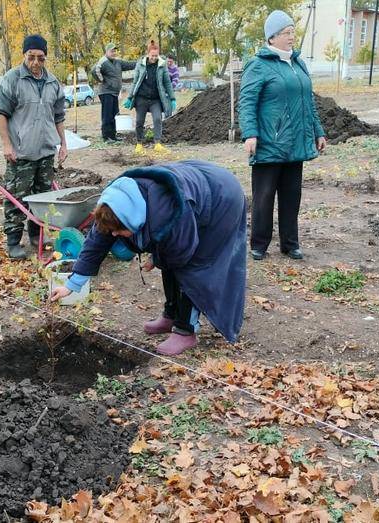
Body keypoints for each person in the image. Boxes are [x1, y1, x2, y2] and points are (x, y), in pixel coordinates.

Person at [49, 160, 247, 356]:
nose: (115, 235)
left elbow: (181, 256)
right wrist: (71, 285)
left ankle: (186, 329)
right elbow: (96, 244)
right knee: (167, 259)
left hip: (222, 199)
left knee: (192, 268)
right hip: (195, 185)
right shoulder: (114, 205)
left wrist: (156, 258)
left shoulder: (170, 214)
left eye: (120, 231)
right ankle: (171, 315)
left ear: (134, 221)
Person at [238, 11, 327, 262]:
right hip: (269, 140)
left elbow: (308, 102)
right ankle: (259, 244)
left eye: (292, 32)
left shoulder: (298, 63)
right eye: (286, 33)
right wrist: (250, 133)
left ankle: (290, 243)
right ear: (272, 37)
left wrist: (318, 132)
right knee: (264, 196)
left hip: (296, 141)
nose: (291, 37)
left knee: (292, 195)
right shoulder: (258, 64)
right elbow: (247, 102)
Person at [0, 34, 68, 260]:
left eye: (41, 58)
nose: (36, 63)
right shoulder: (12, 79)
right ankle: (14, 241)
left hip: (45, 152)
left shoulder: (53, 83)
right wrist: (7, 145)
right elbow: (1, 114)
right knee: (17, 197)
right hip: (21, 153)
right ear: (24, 55)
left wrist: (63, 144)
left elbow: (58, 117)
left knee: (43, 197)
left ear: (46, 57)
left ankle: (37, 234)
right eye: (31, 57)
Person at [124, 40, 176, 154]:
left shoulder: (162, 65)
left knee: (158, 119)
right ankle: (139, 144)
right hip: (141, 98)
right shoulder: (140, 64)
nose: (154, 58)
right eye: (152, 55)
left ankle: (157, 143)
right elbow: (135, 81)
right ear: (148, 54)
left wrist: (172, 98)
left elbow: (167, 83)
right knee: (139, 121)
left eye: (156, 55)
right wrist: (130, 97)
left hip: (155, 99)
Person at [93, 44, 137, 142]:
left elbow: (129, 64)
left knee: (115, 114)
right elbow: (94, 70)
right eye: (112, 51)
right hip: (106, 92)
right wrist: (102, 80)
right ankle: (106, 137)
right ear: (107, 51)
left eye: (114, 51)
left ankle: (113, 136)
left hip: (114, 92)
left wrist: (141, 62)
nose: (113, 53)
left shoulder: (118, 62)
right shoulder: (103, 61)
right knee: (107, 115)